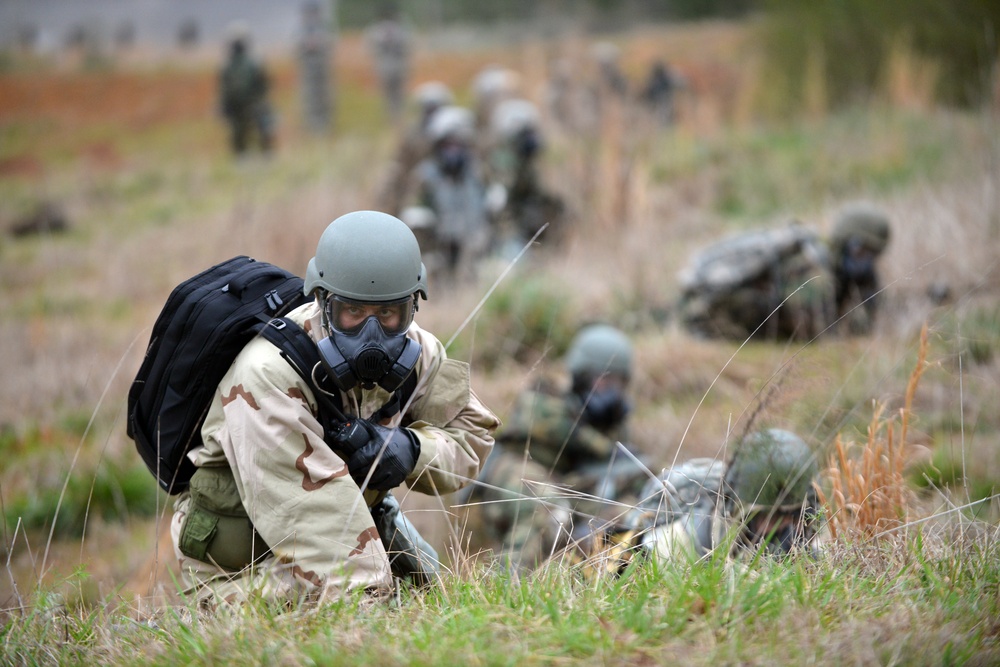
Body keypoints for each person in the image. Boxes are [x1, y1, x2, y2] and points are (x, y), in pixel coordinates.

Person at [170, 210, 500, 607]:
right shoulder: (267, 376)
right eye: (353, 313)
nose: (372, 334)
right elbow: (328, 542)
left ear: (412, 308)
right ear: (324, 303)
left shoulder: (420, 352)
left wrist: (412, 450)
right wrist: (374, 599)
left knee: (447, 600)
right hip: (241, 570)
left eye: (389, 314)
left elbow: (472, 434)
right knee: (373, 601)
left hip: (347, 524)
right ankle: (197, 618)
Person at [468, 324, 647, 571]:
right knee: (548, 510)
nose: (608, 390)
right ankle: (509, 584)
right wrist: (612, 450)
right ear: (580, 376)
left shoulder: (611, 422)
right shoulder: (547, 398)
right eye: (601, 379)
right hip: (515, 467)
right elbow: (561, 431)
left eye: (616, 382)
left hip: (566, 481)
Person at [577, 428, 825, 576]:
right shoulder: (685, 537)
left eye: (788, 515)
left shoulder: (806, 532)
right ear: (738, 506)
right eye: (766, 517)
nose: (775, 528)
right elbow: (615, 571)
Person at [677, 203, 891, 341]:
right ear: (843, 242)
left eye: (872, 253)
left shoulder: (838, 267)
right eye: (860, 250)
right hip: (708, 315)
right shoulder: (814, 272)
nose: (865, 261)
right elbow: (821, 334)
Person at [405, 105, 491, 282]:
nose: (454, 151)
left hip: (475, 250)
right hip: (438, 251)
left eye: (459, 145)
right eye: (448, 145)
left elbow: (492, 210)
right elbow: (413, 217)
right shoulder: (425, 176)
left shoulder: (478, 174)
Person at [485, 98, 567, 252]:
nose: (529, 139)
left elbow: (548, 195)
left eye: (530, 133)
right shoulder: (503, 162)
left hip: (535, 223)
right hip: (513, 230)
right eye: (523, 135)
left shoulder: (536, 163)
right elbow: (500, 206)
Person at [377, 81, 454, 216]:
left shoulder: (453, 137)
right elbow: (399, 165)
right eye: (428, 110)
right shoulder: (413, 137)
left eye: (435, 109)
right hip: (415, 192)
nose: (431, 115)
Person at [218, 22, 274, 156]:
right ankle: (242, 155)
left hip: (254, 103)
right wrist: (224, 106)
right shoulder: (227, 65)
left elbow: (263, 84)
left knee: (264, 126)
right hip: (236, 105)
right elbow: (224, 88)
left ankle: (266, 153)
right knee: (237, 131)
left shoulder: (254, 62)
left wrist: (261, 101)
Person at [366, 4, 411, 123]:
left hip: (398, 65)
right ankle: (391, 117)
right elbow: (371, 48)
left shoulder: (400, 30)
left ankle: (399, 117)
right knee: (388, 95)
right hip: (385, 66)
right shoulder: (377, 31)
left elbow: (408, 47)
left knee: (399, 94)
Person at [296, 1, 333, 134]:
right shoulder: (301, 32)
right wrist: (307, 46)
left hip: (322, 71)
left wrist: (319, 45)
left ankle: (325, 128)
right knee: (310, 101)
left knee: (325, 99)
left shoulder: (324, 30)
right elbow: (296, 51)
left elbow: (330, 47)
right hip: (308, 73)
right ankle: (313, 129)